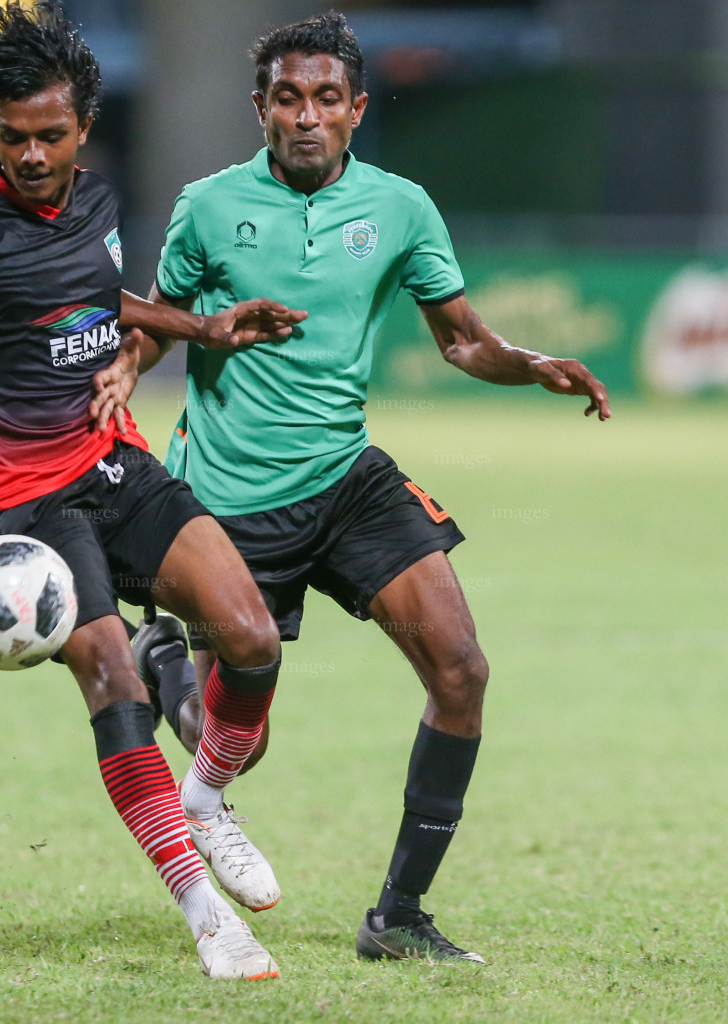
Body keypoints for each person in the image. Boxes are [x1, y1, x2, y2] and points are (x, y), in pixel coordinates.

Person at [98, 12, 609, 964]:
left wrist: (529, 363)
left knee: (460, 670)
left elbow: (460, 338)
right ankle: (167, 658)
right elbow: (162, 320)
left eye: (326, 99)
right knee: (234, 740)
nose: (306, 116)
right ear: (260, 109)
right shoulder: (208, 205)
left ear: (356, 109)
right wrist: (128, 365)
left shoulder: (401, 207)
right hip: (229, 493)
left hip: (347, 479)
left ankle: (399, 917)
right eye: (287, 98)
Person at [0, 1, 309, 980]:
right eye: (12, 138)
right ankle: (205, 912)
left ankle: (206, 798)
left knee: (251, 637)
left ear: (82, 126)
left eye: (49, 135)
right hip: (30, 506)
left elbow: (91, 292)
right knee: (110, 676)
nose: (32, 154)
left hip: (117, 462)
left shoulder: (96, 198)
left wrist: (197, 328)